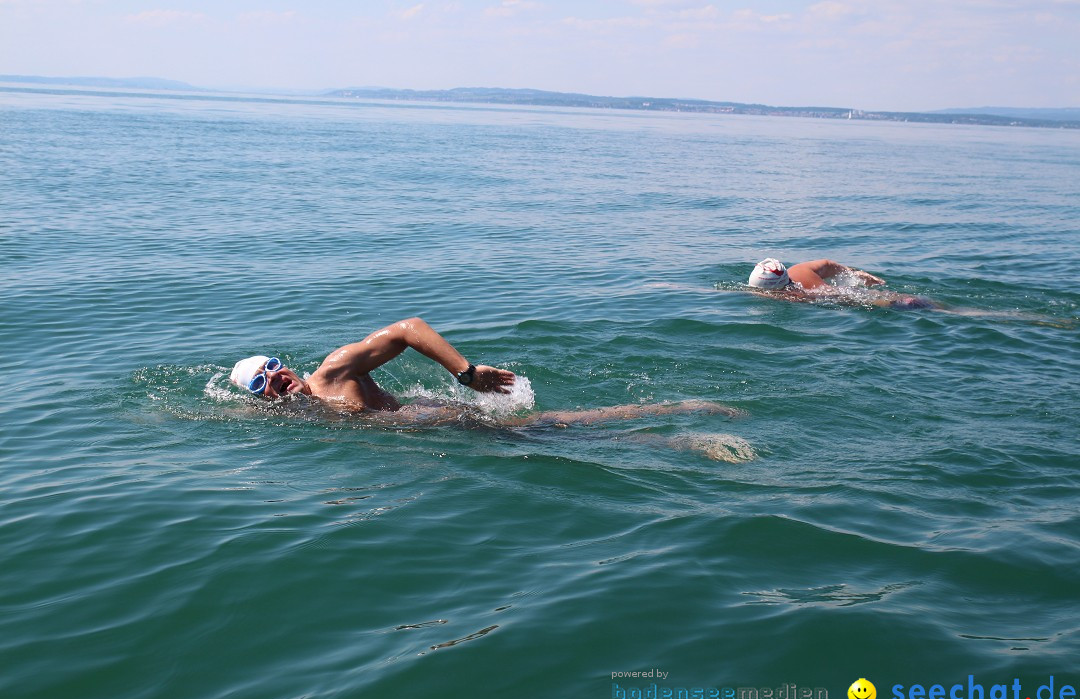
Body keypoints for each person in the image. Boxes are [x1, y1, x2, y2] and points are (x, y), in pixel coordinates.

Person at [229, 317, 739, 426]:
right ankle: (679, 428)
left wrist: (465, 372)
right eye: (262, 382)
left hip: (446, 420)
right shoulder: (296, 419)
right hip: (439, 434)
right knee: (559, 437)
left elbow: (408, 328)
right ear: (260, 398)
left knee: (562, 428)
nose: (275, 377)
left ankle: (685, 417)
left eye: (273, 366)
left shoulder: (332, 374)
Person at [747, 258, 936, 309]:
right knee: (908, 300)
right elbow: (827, 264)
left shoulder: (794, 297)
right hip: (845, 291)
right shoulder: (799, 269)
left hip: (844, 296)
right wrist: (853, 273)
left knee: (907, 303)